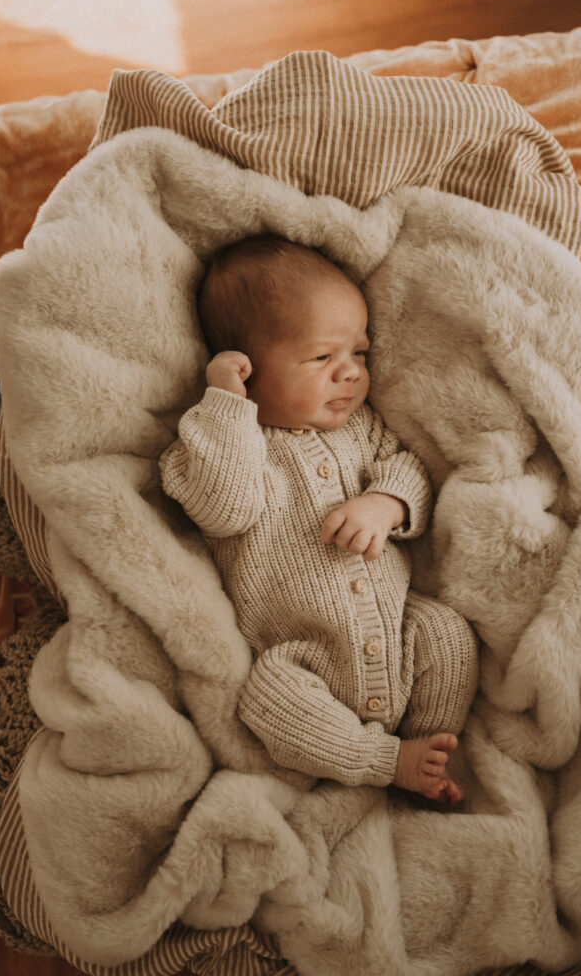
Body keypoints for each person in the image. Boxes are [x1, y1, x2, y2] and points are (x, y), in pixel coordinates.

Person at [160, 235, 478, 802]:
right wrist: (227, 406)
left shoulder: (364, 431)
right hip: (304, 659)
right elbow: (223, 508)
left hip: (396, 635)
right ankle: (382, 760)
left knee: (447, 635)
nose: (351, 373)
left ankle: (430, 753)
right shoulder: (225, 442)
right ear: (247, 370)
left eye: (359, 353)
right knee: (269, 700)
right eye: (323, 357)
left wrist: (387, 505)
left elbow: (410, 472)